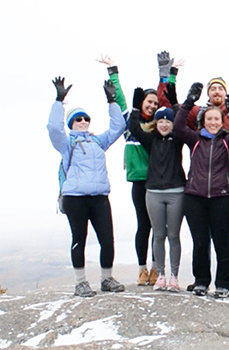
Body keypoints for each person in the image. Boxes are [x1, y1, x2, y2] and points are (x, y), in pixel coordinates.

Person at [47, 76, 126, 297]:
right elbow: (53, 128)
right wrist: (58, 101)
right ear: (71, 123)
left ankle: (106, 279)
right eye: (78, 119)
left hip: (99, 196)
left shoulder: (99, 141)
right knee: (79, 239)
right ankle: (80, 282)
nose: (83, 121)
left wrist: (112, 102)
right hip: (74, 198)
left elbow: (119, 126)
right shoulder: (66, 144)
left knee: (107, 240)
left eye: (86, 118)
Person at [173, 82, 229, 298]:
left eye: (216, 119)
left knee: (222, 241)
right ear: (203, 122)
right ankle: (201, 281)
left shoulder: (227, 141)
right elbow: (178, 127)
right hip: (194, 198)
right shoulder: (195, 139)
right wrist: (187, 103)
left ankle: (223, 284)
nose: (213, 122)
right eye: (209, 119)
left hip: (221, 197)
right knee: (200, 241)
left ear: (222, 122)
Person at [98, 53, 158, 287]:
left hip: (157, 181)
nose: (152, 106)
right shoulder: (130, 124)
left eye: (155, 103)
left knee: (157, 228)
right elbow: (121, 101)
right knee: (144, 225)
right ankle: (143, 269)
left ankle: (156, 268)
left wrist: (169, 77)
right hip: (138, 182)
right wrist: (113, 71)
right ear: (141, 102)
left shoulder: (159, 126)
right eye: (148, 102)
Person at [127, 97, 186, 292]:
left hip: (176, 192)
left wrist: (177, 107)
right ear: (155, 123)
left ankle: (174, 277)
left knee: (173, 236)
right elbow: (134, 128)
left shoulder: (177, 140)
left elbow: (183, 124)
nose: (164, 124)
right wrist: (136, 108)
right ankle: (160, 275)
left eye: (167, 121)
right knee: (158, 235)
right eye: (160, 121)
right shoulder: (150, 140)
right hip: (153, 193)